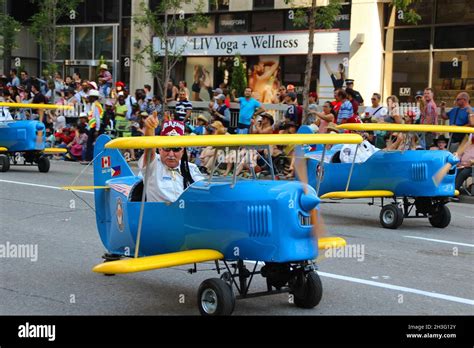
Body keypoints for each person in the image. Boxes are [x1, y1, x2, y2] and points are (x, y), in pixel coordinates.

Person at [138, 116, 205, 203]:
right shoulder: (152, 166)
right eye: (167, 148)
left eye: (176, 149)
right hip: (158, 215)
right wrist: (150, 128)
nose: (171, 154)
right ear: (159, 148)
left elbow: (203, 194)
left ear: (183, 150)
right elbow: (149, 150)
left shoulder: (192, 168)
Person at [83, 89, 103, 163]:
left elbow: (97, 117)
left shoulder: (96, 105)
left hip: (95, 127)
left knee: (90, 143)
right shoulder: (94, 104)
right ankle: (90, 158)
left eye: (90, 97)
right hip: (92, 126)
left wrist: (97, 129)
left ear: (93, 97)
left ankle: (89, 159)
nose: (89, 98)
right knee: (90, 143)